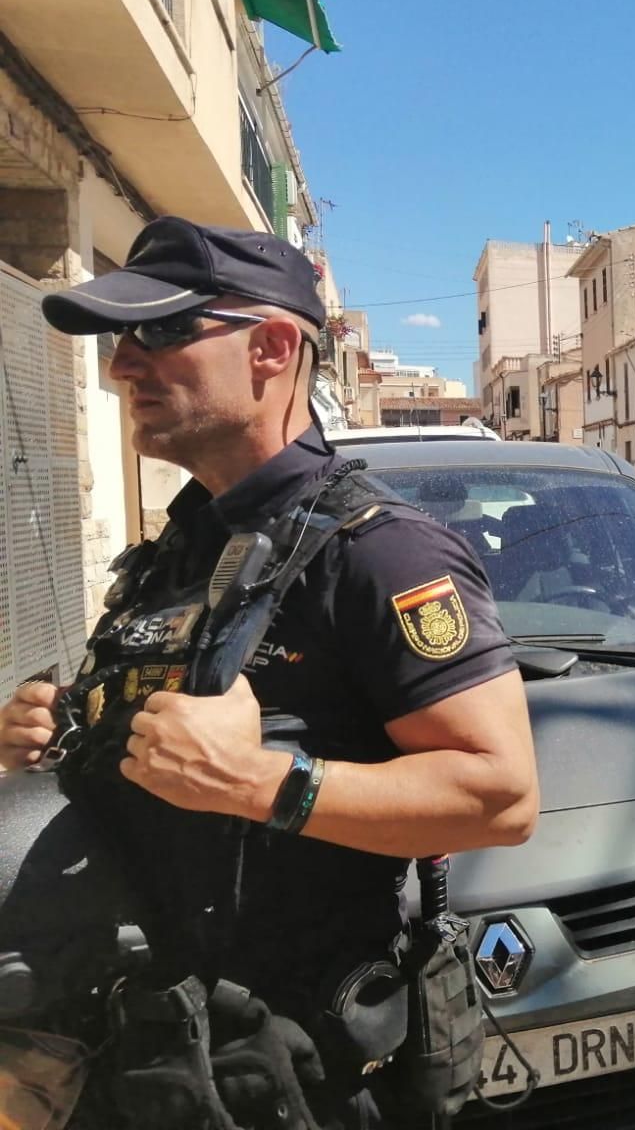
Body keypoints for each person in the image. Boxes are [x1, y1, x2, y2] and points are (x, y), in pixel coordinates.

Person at [0, 216, 539, 1129]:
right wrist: (55, 738)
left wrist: (257, 782)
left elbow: (499, 797)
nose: (123, 364)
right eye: (122, 337)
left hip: (286, 1082)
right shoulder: (178, 551)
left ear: (274, 348)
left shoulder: (383, 557)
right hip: (137, 1062)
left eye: (163, 332)